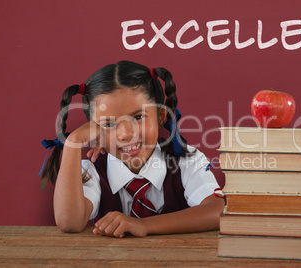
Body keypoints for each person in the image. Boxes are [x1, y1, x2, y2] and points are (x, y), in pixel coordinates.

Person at [40, 60, 225, 238]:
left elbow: (217, 211)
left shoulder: (186, 160)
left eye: (138, 117)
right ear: (94, 131)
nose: (125, 134)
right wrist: (73, 142)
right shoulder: (91, 171)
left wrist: (143, 225)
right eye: (109, 124)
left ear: (161, 116)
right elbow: (69, 223)